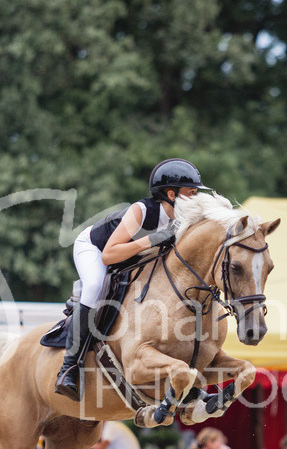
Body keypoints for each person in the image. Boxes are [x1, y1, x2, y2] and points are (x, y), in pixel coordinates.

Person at [55, 159, 209, 401]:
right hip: (95, 249)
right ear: (171, 194)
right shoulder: (142, 211)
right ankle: (69, 368)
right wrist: (153, 239)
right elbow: (109, 255)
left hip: (131, 257)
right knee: (94, 286)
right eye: (191, 192)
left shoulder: (182, 220)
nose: (197, 197)